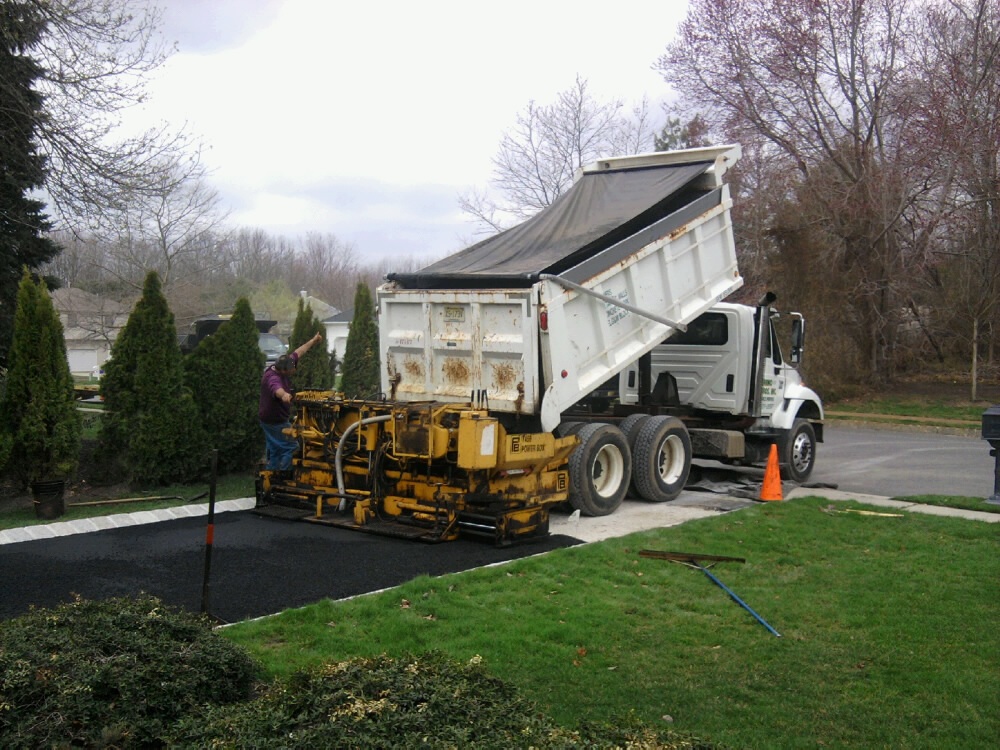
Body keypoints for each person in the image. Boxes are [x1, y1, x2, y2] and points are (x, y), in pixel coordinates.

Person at [259, 332, 324, 472]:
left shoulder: (285, 362)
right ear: (283, 370)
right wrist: (285, 396)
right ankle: (284, 475)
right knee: (291, 447)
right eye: (291, 371)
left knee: (275, 449)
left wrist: (313, 340)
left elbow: (298, 352)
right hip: (273, 422)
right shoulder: (272, 378)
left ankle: (272, 474)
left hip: (272, 419)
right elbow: (277, 390)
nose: (293, 371)